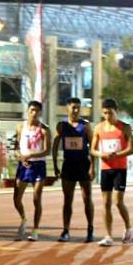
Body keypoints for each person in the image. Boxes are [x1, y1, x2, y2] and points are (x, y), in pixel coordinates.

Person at [90, 98, 133, 246]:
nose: (107, 116)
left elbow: (131, 149)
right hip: (106, 168)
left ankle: (128, 227)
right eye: (105, 113)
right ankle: (108, 235)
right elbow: (93, 150)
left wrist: (117, 154)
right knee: (106, 202)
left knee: (118, 201)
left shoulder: (124, 127)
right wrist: (101, 155)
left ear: (116, 111)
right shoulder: (98, 128)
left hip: (120, 169)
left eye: (110, 113)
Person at [52, 97, 95, 243]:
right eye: (73, 107)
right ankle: (65, 230)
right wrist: (55, 164)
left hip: (83, 165)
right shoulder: (62, 125)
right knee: (67, 199)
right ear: (67, 108)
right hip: (68, 165)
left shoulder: (86, 125)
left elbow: (93, 147)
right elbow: (55, 144)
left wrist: (93, 167)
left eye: (78, 107)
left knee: (86, 198)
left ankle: (90, 229)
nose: (76, 110)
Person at [13, 100, 51, 241]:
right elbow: (16, 147)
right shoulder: (20, 127)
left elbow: (46, 150)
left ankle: (35, 229)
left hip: (38, 166)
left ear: (40, 113)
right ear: (27, 111)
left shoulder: (44, 129)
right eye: (32, 110)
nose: (34, 113)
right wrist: (20, 157)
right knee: (17, 198)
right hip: (23, 166)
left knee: (36, 197)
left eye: (37, 111)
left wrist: (31, 155)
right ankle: (23, 218)